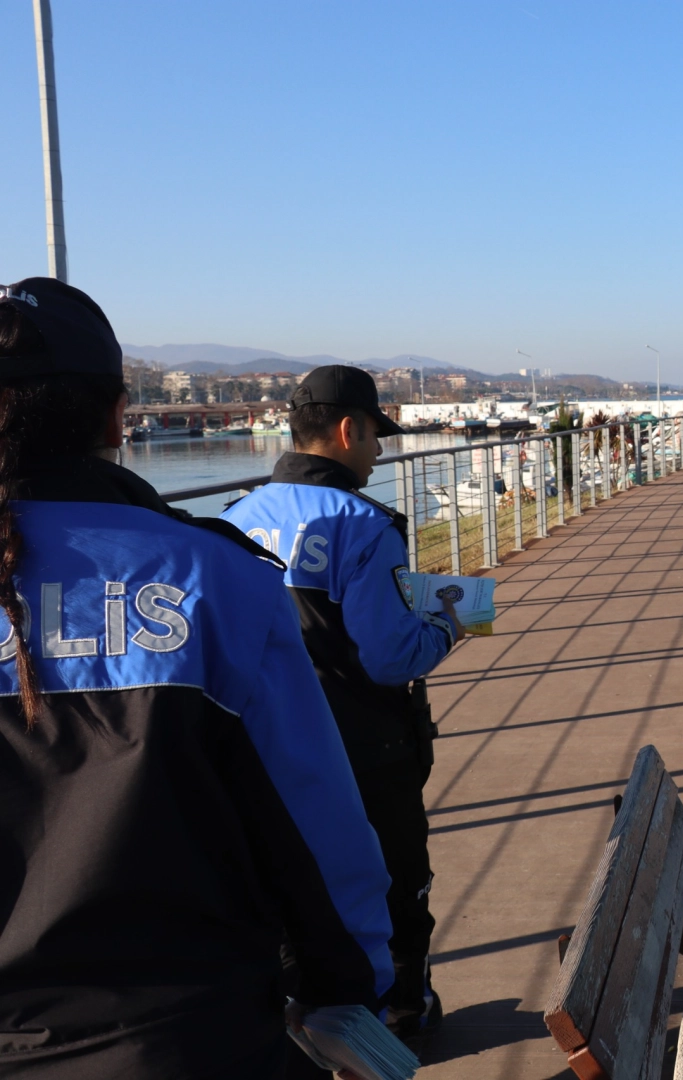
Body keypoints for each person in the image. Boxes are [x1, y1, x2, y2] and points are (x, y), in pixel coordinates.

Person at [0, 280, 393, 1078]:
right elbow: (318, 825)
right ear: (117, 417)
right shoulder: (216, 579)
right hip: (192, 1040)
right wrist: (351, 991)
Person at [223, 366, 462, 1043]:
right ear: (349, 430)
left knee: (287, 881)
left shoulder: (234, 520)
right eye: (376, 437)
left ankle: (302, 1023)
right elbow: (389, 658)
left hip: (265, 740)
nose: (380, 452)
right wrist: (448, 625)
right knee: (394, 881)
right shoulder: (366, 526)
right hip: (365, 745)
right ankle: (401, 1015)